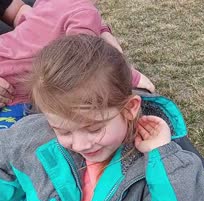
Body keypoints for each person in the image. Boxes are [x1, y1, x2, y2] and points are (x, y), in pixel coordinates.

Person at [0, 34, 204, 201]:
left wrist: (163, 156)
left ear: (130, 108)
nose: (81, 144)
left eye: (93, 129)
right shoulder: (32, 137)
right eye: (63, 131)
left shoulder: (153, 165)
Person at [0, 0, 155, 129]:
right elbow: (83, 55)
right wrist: (130, 75)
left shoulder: (45, 2)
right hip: (15, 85)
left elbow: (22, 14)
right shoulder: (84, 13)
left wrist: (102, 31)